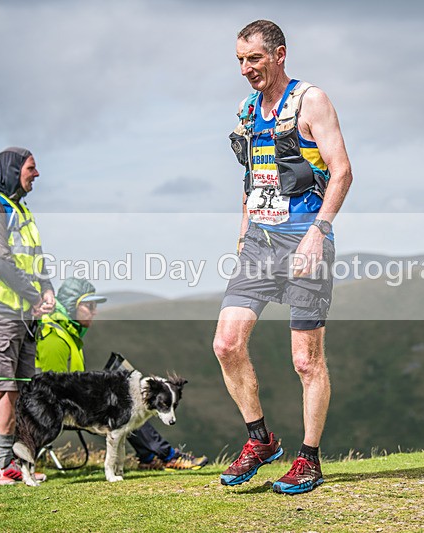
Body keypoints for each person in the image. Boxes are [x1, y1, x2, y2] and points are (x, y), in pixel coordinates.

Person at [213, 20, 353, 494]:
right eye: (239, 61)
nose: (246, 69)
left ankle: (308, 460)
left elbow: (342, 172)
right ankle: (261, 440)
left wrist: (319, 231)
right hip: (258, 240)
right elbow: (254, 177)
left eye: (254, 58)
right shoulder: (248, 109)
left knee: (306, 360)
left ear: (279, 54)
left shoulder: (310, 100)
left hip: (305, 237)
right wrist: (242, 231)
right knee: (226, 344)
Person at [35, 276, 208, 471]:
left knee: (130, 400)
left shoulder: (69, 334)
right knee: (128, 406)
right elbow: (56, 389)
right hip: (66, 408)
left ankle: (154, 455)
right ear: (70, 306)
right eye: (89, 306)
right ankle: (163, 455)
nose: (95, 311)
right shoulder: (55, 338)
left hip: (78, 403)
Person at [0, 147, 55, 485]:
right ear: (14, 169)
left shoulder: (21, 211)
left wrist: (46, 289)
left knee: (14, 389)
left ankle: (4, 464)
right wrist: (35, 296)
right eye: (31, 168)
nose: (36, 175)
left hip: (23, 314)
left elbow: (35, 258)